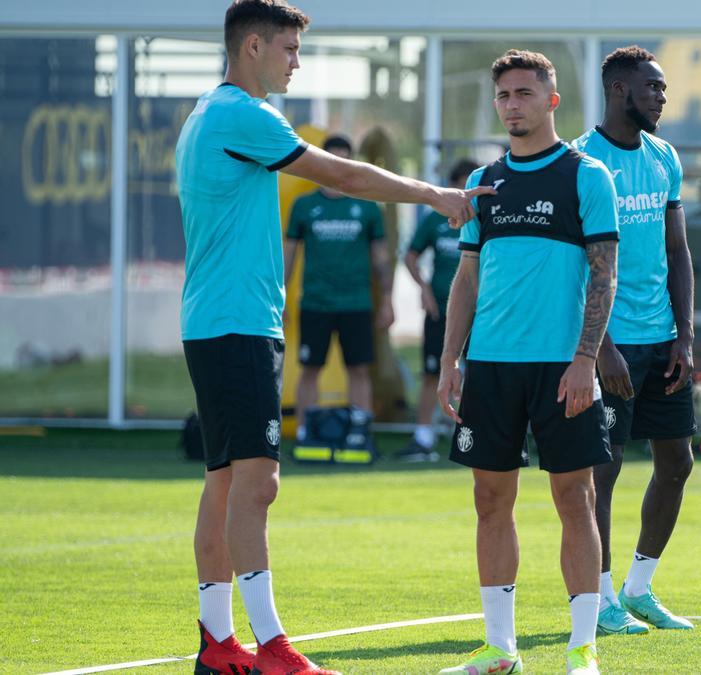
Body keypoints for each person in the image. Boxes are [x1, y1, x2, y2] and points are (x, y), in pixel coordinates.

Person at [176, 2, 490, 673]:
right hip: (234, 323)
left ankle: (218, 641)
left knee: (227, 482)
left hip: (214, 320)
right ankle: (271, 647)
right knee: (258, 483)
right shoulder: (242, 114)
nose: (296, 61)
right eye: (289, 49)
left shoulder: (205, 112)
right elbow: (342, 175)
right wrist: (434, 194)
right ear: (253, 45)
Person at [436, 49, 618, 675]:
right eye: (504, 96)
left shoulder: (586, 176)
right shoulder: (484, 183)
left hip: (561, 366)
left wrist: (585, 358)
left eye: (524, 93)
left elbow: (604, 274)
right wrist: (449, 361)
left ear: (551, 100)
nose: (513, 105)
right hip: (490, 366)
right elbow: (467, 278)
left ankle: (581, 649)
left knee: (576, 498)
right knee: (490, 500)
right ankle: (499, 649)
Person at [571, 45, 697, 636]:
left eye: (663, 88)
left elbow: (678, 252)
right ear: (620, 90)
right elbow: (571, 269)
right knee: (605, 469)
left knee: (677, 462)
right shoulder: (579, 162)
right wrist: (602, 347)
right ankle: (599, 602)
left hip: (662, 340)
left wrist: (685, 336)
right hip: (607, 345)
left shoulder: (664, 156)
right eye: (654, 88)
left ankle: (639, 590)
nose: (662, 98)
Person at [283, 134, 393, 441]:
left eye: (345, 160)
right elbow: (288, 255)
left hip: (356, 303)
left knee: (358, 369)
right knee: (309, 369)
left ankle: (360, 434)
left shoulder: (368, 208)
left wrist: (387, 300)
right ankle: (306, 433)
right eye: (333, 160)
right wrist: (278, 298)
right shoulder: (304, 206)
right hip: (315, 303)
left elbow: (381, 259)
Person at [401, 158, 480, 460]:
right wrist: (423, 289)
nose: (464, 189)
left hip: (480, 312)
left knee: (481, 374)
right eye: (460, 183)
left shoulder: (484, 216)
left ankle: (472, 435)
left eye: (468, 184)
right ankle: (423, 438)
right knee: (432, 373)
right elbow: (410, 255)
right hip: (441, 313)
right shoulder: (437, 218)